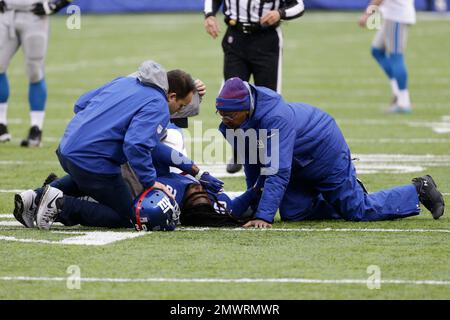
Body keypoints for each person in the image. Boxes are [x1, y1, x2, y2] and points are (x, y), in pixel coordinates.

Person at [12, 60, 223, 230]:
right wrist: (150, 181)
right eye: (180, 106)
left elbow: (81, 104)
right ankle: (61, 206)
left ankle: (36, 196)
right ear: (171, 95)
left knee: (88, 180)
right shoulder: (158, 104)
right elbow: (136, 145)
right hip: (93, 160)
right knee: (130, 216)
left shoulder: (125, 82)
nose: (178, 112)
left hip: (67, 148)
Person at [215, 77, 445, 228]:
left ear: (246, 109)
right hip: (295, 159)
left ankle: (418, 189)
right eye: (220, 113)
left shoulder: (276, 117)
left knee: (357, 211)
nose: (225, 119)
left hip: (324, 152)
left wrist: (263, 217)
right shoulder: (233, 123)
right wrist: (251, 206)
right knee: (295, 214)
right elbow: (254, 165)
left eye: (230, 115)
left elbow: (278, 170)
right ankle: (335, 196)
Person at [203, 0, 305, 174]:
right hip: (235, 37)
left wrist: (280, 13)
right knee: (231, 100)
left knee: (269, 100)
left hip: (266, 39)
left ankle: (269, 153)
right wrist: (210, 15)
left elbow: (299, 5)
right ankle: (239, 149)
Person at [0, 0, 72, 146]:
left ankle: (36, 127)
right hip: (4, 13)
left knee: (35, 70)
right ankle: (1, 123)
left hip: (35, 16)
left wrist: (55, 5)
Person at [358, 0, 416, 113]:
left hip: (397, 16)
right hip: (393, 15)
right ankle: (397, 93)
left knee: (396, 56)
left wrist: (368, 14)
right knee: (377, 51)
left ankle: (403, 102)